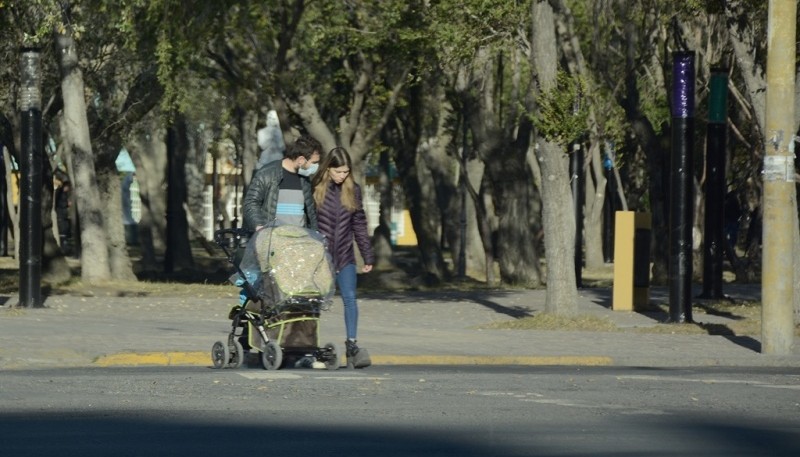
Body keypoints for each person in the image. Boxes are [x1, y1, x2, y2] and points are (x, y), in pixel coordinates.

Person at [312, 147, 375, 369]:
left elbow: (359, 223)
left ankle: (352, 345)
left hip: (345, 256)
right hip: (321, 257)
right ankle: (310, 346)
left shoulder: (353, 190)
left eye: (346, 172)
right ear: (328, 168)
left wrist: (367, 255)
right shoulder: (315, 188)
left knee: (350, 298)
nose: (342, 176)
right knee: (313, 301)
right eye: (338, 171)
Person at [243, 134, 322, 232]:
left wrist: (315, 234)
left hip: (300, 242)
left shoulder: (305, 180)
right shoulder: (266, 174)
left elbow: (310, 213)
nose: (316, 166)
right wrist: (260, 226)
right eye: (314, 162)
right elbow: (251, 203)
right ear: (301, 160)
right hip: (272, 241)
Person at [54, 180, 72, 254]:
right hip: (61, 214)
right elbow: (59, 204)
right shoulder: (60, 193)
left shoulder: (64, 193)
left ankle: (65, 246)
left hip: (64, 215)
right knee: (63, 230)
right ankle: (64, 247)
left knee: (66, 229)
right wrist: (67, 204)